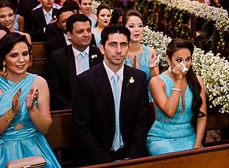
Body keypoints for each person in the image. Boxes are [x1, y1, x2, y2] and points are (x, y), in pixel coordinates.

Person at [72, 24, 150, 164]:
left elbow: (142, 121)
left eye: (123, 45)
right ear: (102, 48)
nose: (119, 51)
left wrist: (131, 157)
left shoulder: (138, 78)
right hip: (96, 156)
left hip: (130, 154)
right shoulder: (85, 81)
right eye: (113, 45)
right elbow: (82, 127)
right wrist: (104, 161)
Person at [0, 33, 60, 167]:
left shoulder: (39, 82)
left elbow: (45, 128)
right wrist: (12, 112)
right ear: (3, 59)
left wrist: (31, 109)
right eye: (14, 55)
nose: (21, 60)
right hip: (3, 151)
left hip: (35, 147)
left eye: (25, 54)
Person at [147, 39, 207, 155]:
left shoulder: (197, 81)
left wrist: (197, 146)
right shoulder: (157, 82)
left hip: (189, 136)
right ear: (169, 60)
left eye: (188, 59)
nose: (184, 64)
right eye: (179, 60)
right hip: (162, 139)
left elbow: (202, 116)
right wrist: (178, 81)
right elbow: (170, 111)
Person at [47, 14, 103, 109]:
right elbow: (54, 91)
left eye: (88, 30)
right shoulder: (58, 57)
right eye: (80, 31)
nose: (86, 34)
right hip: (69, 110)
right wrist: (73, 108)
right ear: (69, 35)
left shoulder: (100, 54)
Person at [124, 10, 160, 97]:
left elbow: (156, 83)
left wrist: (152, 67)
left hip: (147, 101)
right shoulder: (120, 52)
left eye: (140, 26)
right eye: (131, 26)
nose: (137, 30)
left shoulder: (150, 52)